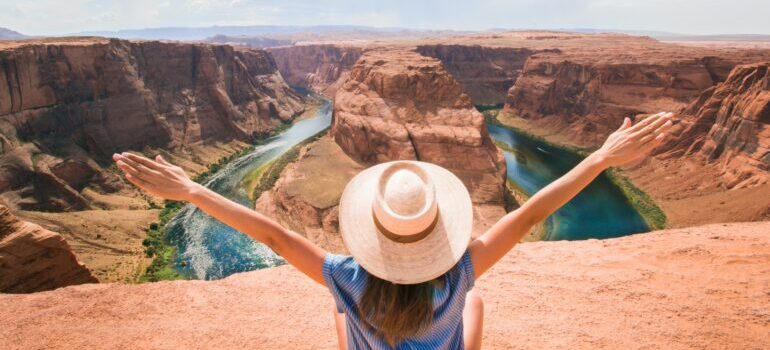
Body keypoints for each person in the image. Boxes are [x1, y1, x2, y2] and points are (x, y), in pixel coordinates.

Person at [113, 112, 674, 350]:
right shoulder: (460, 274)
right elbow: (527, 216)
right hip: (453, 316)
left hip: (357, 310)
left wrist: (191, 191)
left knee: (338, 311)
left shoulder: (347, 278)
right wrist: (600, 158)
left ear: (375, 234)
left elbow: (276, 239)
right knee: (475, 306)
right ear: (437, 231)